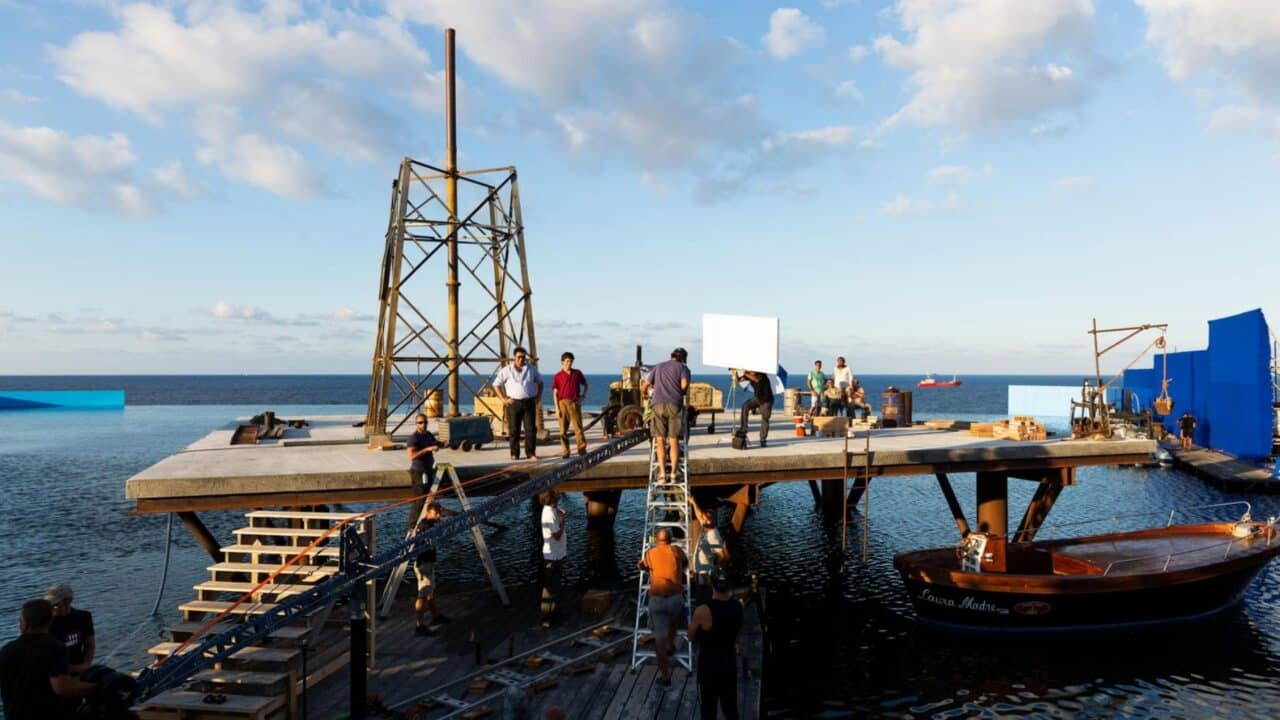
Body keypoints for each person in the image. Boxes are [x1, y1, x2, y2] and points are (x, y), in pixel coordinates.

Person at [0, 599, 96, 720]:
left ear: (24, 622)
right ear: (50, 621)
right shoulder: (55, 648)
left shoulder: (7, 650)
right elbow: (62, 689)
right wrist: (98, 685)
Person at [688, 570, 743, 720]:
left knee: (708, 710)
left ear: (712, 586)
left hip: (709, 667)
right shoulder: (738, 606)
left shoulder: (702, 611)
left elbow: (690, 637)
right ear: (729, 586)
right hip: (729, 664)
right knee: (731, 708)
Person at [637, 528, 687, 686]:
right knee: (673, 618)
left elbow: (644, 567)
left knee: (659, 637)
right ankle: (671, 645)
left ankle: (665, 676)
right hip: (675, 599)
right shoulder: (677, 550)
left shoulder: (650, 553)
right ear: (671, 539)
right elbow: (685, 562)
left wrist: (642, 565)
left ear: (657, 540)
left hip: (657, 600)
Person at [641, 348, 691, 482]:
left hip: (657, 405)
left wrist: (645, 395)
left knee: (660, 440)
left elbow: (645, 385)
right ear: (683, 358)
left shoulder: (658, 367)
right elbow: (684, 384)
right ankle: (674, 474)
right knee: (674, 440)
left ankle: (662, 474)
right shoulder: (683, 368)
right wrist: (681, 392)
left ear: (671, 356)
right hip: (675, 405)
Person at [493, 347, 544, 461]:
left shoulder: (531, 369)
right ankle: (514, 453)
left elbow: (540, 382)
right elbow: (496, 385)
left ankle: (531, 453)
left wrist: (538, 397)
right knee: (514, 430)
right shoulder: (507, 370)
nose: (521, 359)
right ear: (514, 358)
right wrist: (503, 399)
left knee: (531, 429)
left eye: (523, 357)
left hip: (529, 402)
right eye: (518, 357)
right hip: (513, 403)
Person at [412, 502, 451, 636]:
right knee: (422, 595)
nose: (438, 515)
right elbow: (438, 533)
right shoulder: (425, 525)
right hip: (423, 564)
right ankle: (419, 626)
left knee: (430, 592)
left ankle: (435, 616)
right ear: (428, 512)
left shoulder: (429, 524)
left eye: (439, 513)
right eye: (436, 513)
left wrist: (440, 520)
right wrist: (441, 522)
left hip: (428, 562)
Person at [44, 584, 93, 676]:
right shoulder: (46, 623)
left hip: (79, 667)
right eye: (51, 604)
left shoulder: (83, 617)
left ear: (69, 601)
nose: (54, 607)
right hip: (55, 672)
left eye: (57, 604)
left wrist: (86, 665)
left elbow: (90, 645)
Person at [551, 352, 589, 458]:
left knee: (578, 428)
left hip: (574, 403)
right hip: (562, 403)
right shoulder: (558, 376)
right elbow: (555, 393)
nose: (569, 363)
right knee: (563, 430)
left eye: (571, 361)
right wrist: (556, 409)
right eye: (567, 361)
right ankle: (565, 451)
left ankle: (582, 449)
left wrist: (583, 397)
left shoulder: (577, 373)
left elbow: (586, 384)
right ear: (562, 362)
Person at [540, 489, 567, 628]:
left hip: (557, 554)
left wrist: (560, 515)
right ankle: (546, 617)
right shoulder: (549, 514)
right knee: (550, 587)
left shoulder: (551, 511)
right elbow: (556, 535)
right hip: (552, 557)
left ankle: (554, 613)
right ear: (551, 500)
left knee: (555, 585)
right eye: (556, 498)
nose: (558, 499)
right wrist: (563, 521)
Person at [692, 508, 728, 605]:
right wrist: (693, 502)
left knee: (705, 595)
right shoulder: (705, 527)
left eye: (703, 519)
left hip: (705, 572)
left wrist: (715, 569)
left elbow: (722, 555)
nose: (701, 520)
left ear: (709, 520)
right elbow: (699, 515)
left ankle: (706, 612)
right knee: (699, 593)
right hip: (699, 570)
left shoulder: (713, 536)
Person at [738, 370, 773, 448]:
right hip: (758, 399)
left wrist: (746, 374)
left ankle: (763, 440)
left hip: (767, 400)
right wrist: (736, 376)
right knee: (745, 406)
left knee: (765, 419)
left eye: (751, 371)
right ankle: (744, 428)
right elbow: (740, 380)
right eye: (749, 371)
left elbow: (756, 379)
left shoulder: (762, 374)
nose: (751, 372)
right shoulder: (750, 375)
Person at [407, 413, 439, 490]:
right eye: (420, 423)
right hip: (418, 471)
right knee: (420, 497)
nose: (423, 424)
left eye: (425, 422)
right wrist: (426, 449)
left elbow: (435, 443)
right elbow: (412, 456)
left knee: (429, 494)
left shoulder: (429, 434)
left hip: (429, 469)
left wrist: (442, 444)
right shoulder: (414, 438)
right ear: (416, 424)